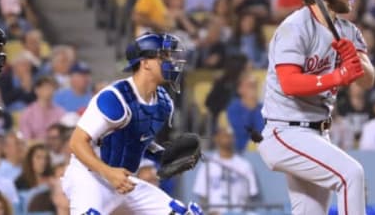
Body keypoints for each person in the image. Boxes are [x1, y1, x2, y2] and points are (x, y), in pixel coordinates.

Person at [257, 0, 375, 215]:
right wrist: (337, 77)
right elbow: (289, 83)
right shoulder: (295, 27)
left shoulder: (347, 30)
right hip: (285, 131)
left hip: (317, 133)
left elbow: (368, 80)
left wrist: (355, 60)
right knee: (351, 175)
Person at [61, 33, 203, 214]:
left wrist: (163, 155)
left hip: (124, 181)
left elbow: (136, 139)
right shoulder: (115, 98)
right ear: (145, 63)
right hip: (89, 177)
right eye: (163, 56)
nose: (170, 61)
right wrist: (108, 173)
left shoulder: (163, 103)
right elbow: (76, 142)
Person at [193, 126, 258, 214]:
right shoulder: (207, 165)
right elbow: (202, 195)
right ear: (216, 138)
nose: (227, 138)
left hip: (238, 212)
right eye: (224, 135)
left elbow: (251, 194)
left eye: (230, 135)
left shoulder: (244, 165)